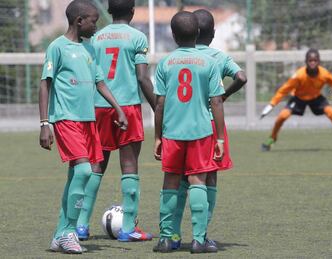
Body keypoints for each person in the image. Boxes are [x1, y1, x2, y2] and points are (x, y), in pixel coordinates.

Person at [39, 0, 127, 254]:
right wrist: (45, 123)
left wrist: (118, 108)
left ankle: (59, 235)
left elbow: (100, 82)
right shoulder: (57, 47)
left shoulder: (89, 49)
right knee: (85, 172)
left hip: (88, 121)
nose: (96, 27)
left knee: (74, 177)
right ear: (79, 21)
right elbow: (45, 84)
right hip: (66, 119)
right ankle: (69, 231)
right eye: (93, 21)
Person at [75, 0, 154, 242]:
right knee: (129, 166)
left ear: (108, 12)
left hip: (99, 107)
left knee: (97, 166)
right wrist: (157, 106)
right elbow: (142, 78)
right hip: (127, 108)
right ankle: (128, 228)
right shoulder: (137, 37)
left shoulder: (95, 38)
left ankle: (80, 225)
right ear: (133, 11)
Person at [169, 8, 247, 251]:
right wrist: (223, 96)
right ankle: (201, 234)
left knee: (180, 177)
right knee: (207, 177)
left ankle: (171, 234)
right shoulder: (218, 57)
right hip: (210, 123)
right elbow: (242, 77)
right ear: (212, 34)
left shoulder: (178, 56)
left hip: (181, 122)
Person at [151, 11, 225, 254]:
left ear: (173, 35)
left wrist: (158, 137)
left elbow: (159, 104)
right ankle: (199, 240)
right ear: (198, 34)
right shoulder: (210, 63)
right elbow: (216, 103)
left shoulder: (165, 63)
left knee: (171, 182)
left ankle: (165, 239)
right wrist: (221, 138)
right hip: (201, 132)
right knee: (197, 181)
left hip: (172, 132)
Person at [260, 49, 332, 151]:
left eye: (315, 60)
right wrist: (272, 104)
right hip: (299, 98)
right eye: (310, 60)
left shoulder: (324, 74)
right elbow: (283, 90)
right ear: (306, 61)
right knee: (282, 116)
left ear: (319, 61)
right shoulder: (299, 75)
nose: (312, 62)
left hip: (316, 98)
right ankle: (272, 139)